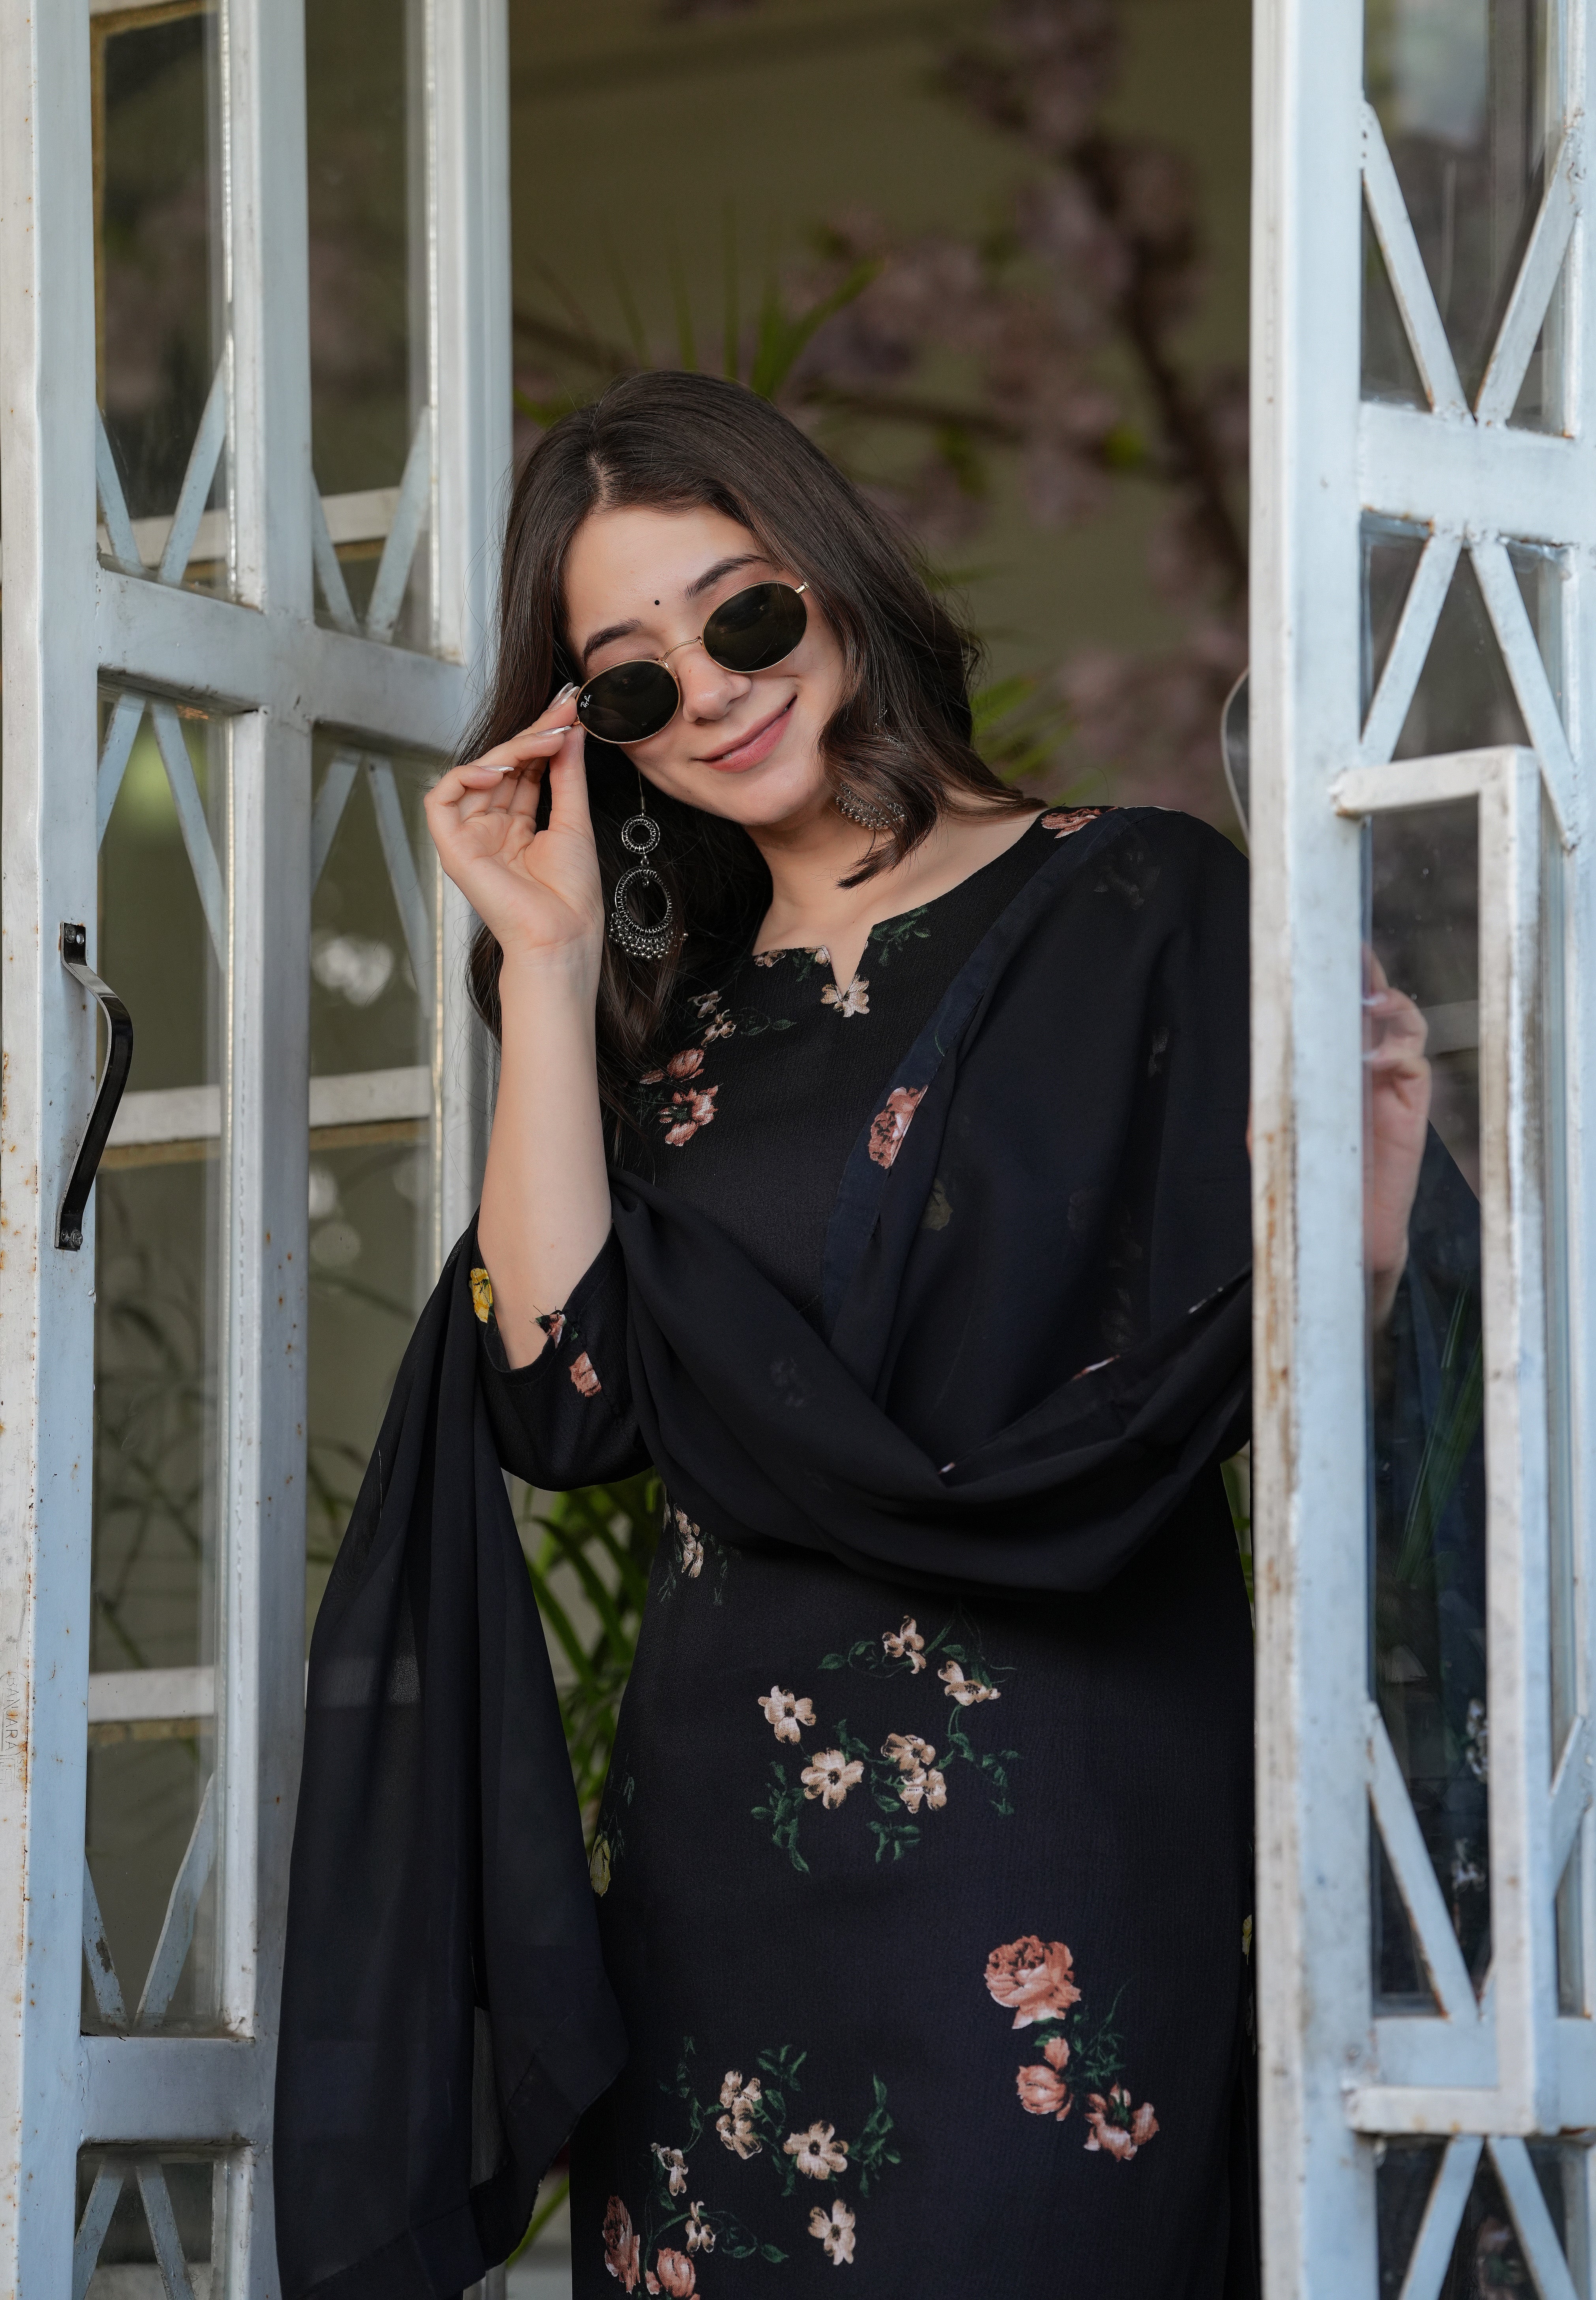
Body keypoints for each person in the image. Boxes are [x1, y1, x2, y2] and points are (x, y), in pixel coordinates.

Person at [275, 372, 1436, 2300]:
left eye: (737, 613)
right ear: (595, 738)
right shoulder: (681, 1028)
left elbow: (1258, 1367)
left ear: (830, 579)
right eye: (629, 677)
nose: (711, 689)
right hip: (727, 1869)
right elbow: (558, 1401)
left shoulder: (1142, 902)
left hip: (1060, 1821)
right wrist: (548, 967)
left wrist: (1374, 1256)